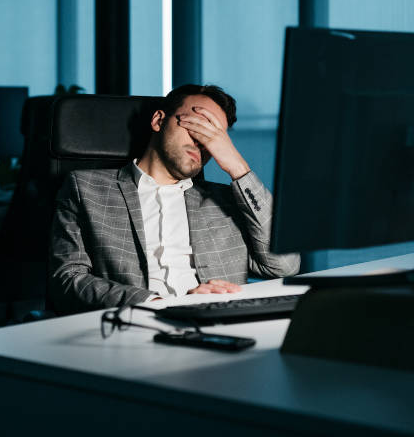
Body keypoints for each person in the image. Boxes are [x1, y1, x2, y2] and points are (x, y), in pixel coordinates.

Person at [49, 84, 300, 314]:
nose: (203, 140)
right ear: (159, 120)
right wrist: (157, 304)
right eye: (198, 125)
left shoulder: (229, 201)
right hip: (136, 328)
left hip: (219, 328)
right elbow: (67, 279)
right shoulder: (86, 188)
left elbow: (285, 265)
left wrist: (237, 166)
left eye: (215, 136)